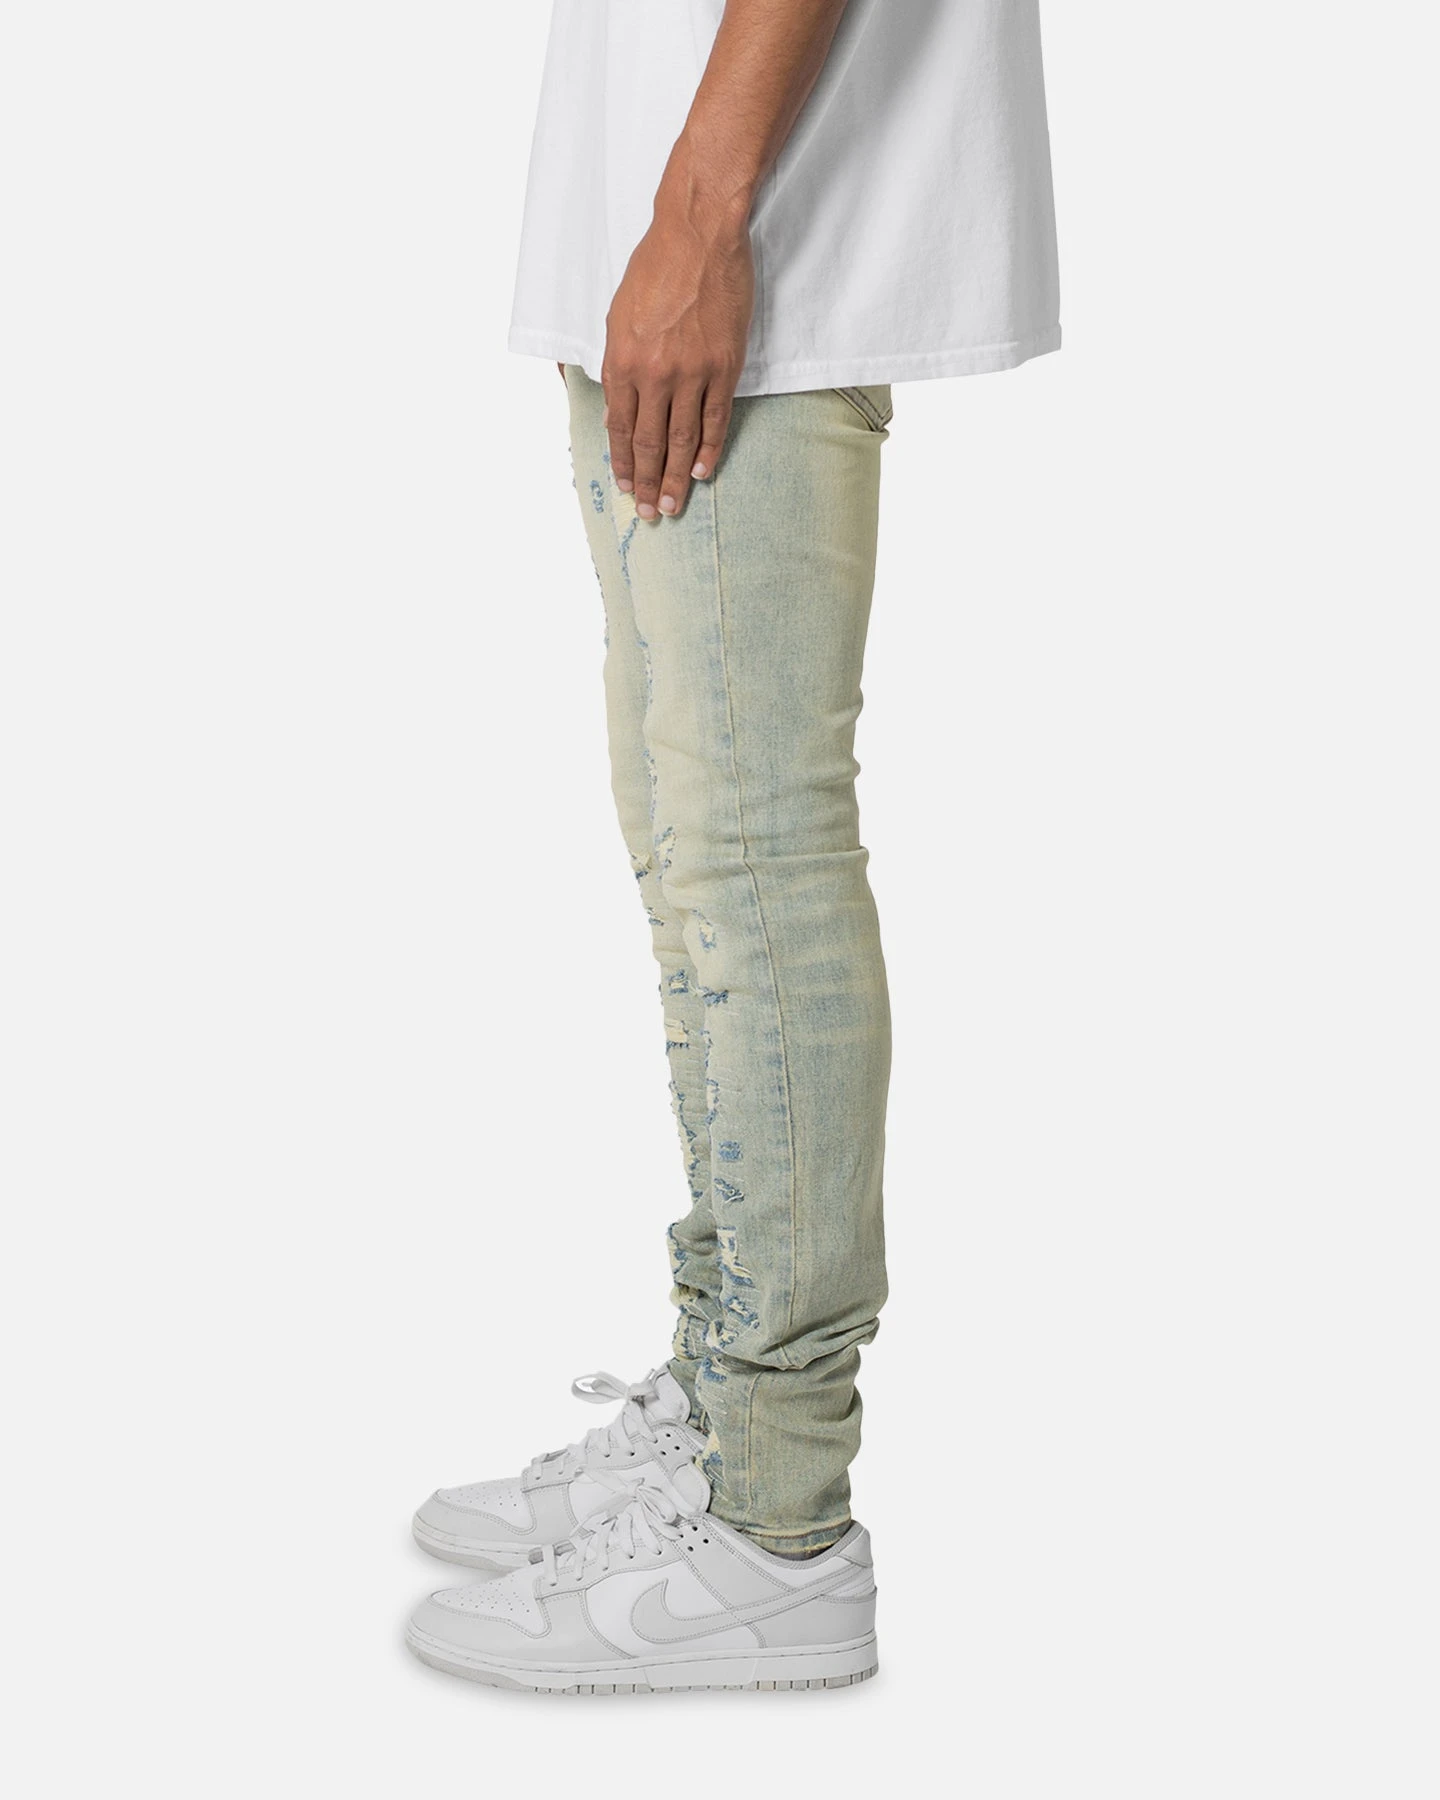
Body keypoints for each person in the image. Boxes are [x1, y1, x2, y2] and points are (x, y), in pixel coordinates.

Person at [406, 0, 1060, 1694]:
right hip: (667, 201)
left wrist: (702, 214)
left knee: (752, 857)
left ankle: (776, 1515)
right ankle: (716, 1413)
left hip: (761, 221)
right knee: (693, 857)